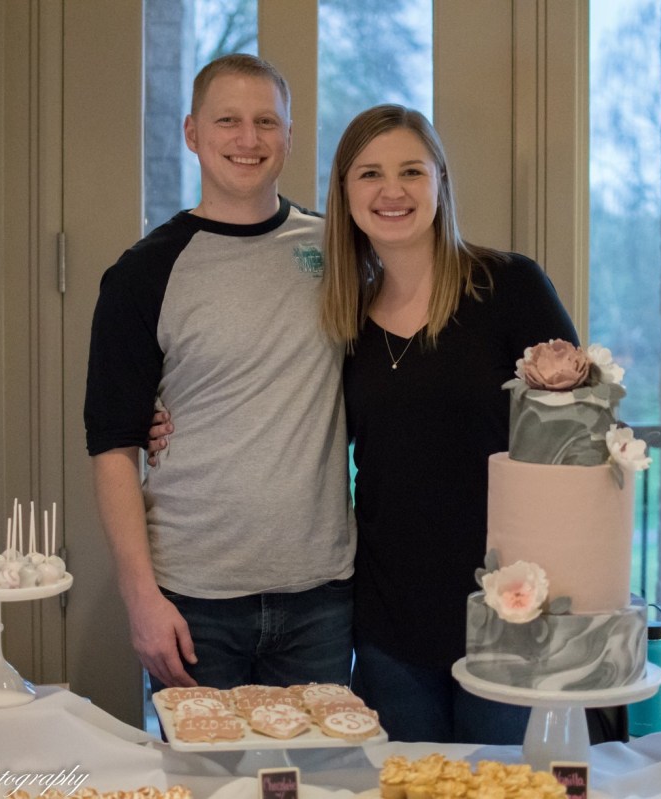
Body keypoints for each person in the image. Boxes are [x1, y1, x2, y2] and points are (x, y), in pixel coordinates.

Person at [84, 53, 356, 693]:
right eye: (227, 120)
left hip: (319, 597)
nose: (248, 139)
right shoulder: (144, 272)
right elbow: (113, 448)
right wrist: (141, 599)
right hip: (192, 599)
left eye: (266, 121)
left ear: (289, 135)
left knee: (318, 762)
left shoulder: (338, 251)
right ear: (192, 132)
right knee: (201, 762)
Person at [317, 104, 580, 744]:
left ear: (440, 181)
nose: (392, 190)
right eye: (370, 174)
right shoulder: (342, 316)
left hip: (508, 612)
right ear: (345, 192)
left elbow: (580, 438)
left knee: (501, 785)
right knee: (408, 784)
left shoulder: (509, 286)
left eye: (411, 170)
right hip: (389, 620)